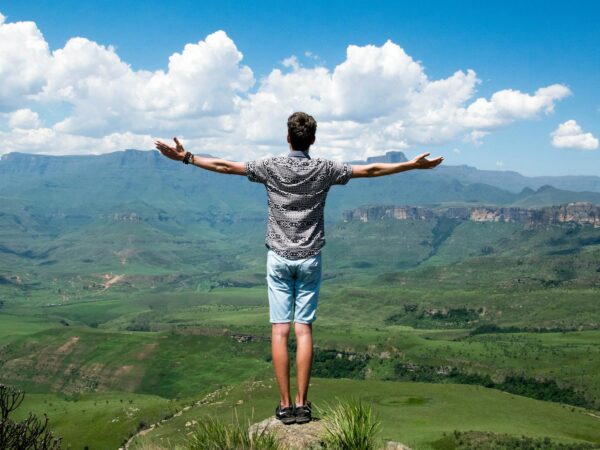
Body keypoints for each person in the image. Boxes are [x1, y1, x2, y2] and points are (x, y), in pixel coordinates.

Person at [154, 111, 443, 425]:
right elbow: (370, 169)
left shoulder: (271, 166)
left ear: (288, 137)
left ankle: (284, 405)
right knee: (303, 330)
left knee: (280, 331)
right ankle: (303, 406)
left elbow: (225, 166)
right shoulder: (325, 169)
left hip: (278, 257)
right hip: (310, 258)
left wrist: (187, 158)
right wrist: (412, 165)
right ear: (313, 140)